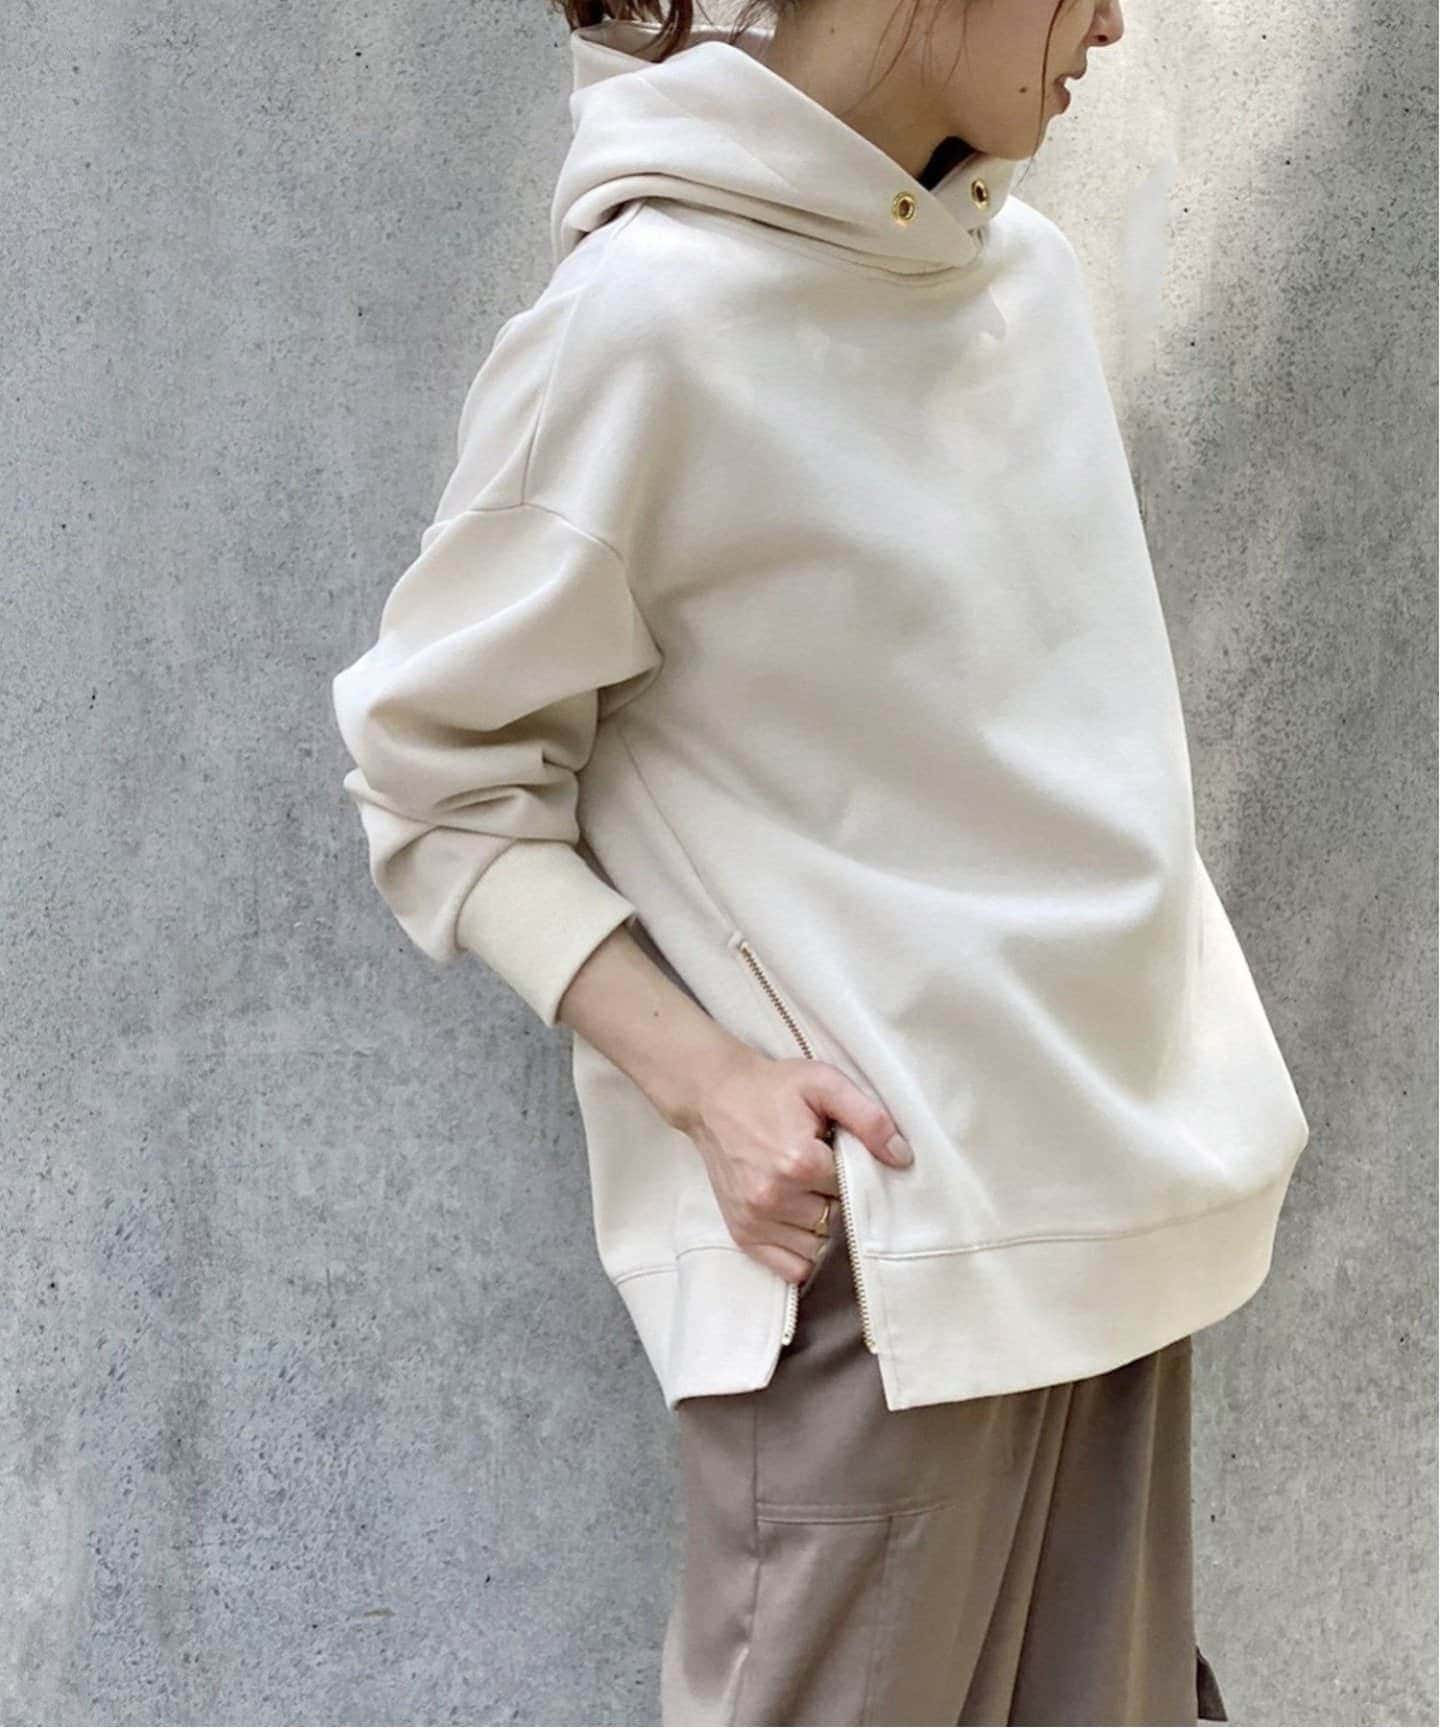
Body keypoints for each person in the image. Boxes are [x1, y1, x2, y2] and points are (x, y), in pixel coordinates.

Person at [331, 0, 1310, 1719]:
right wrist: (711, 1085)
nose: (1114, 18)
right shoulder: (647, 324)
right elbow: (437, 773)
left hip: (1106, 1227)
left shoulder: (1024, 282)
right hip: (875, 1283)